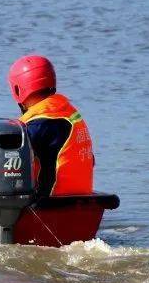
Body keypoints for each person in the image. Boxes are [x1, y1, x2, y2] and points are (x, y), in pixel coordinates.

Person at [8, 55, 94, 196]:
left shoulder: (36, 126)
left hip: (51, 204)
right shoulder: (70, 115)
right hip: (84, 202)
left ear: (17, 90)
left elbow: (7, 161)